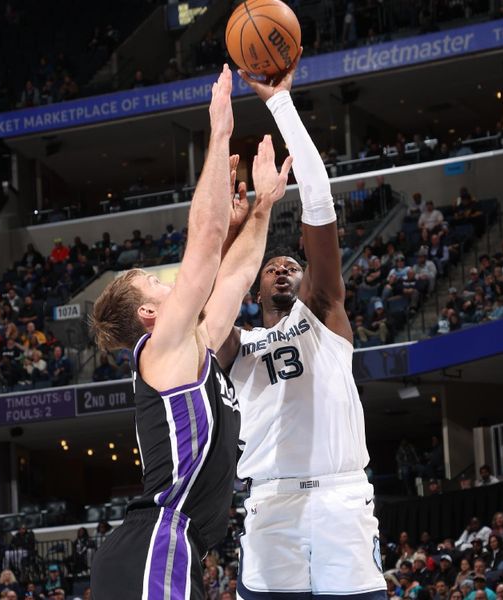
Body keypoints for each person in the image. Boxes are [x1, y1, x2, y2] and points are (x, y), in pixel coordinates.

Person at [89, 65, 286, 600]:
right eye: (155, 282)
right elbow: (204, 242)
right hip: (157, 541)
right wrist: (219, 132)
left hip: (174, 547)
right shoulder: (161, 347)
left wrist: (264, 208)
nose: (169, 281)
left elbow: (238, 275)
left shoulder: (193, 348)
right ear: (149, 316)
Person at [226, 54, 386, 598]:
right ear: (253, 285)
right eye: (271, 266)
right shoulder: (236, 343)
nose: (284, 268)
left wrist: (281, 106)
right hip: (270, 502)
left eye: (291, 264)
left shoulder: (323, 313)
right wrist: (234, 230)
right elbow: (211, 298)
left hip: (342, 498)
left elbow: (320, 204)